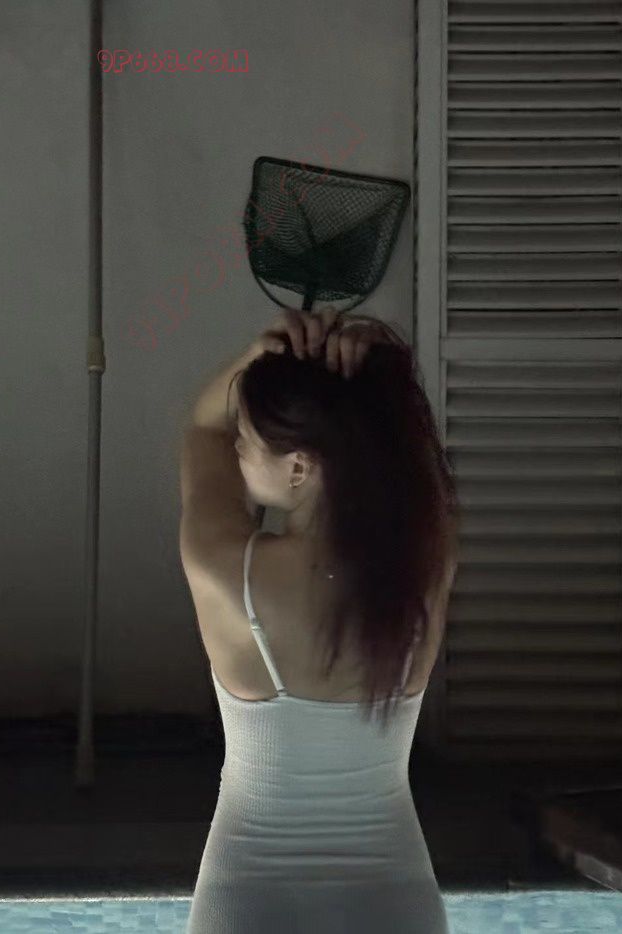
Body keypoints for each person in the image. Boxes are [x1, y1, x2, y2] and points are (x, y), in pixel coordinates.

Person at [183, 307, 459, 933]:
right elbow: (416, 460)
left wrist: (258, 353)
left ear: (299, 467)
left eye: (249, 440)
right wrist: (374, 376)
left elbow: (202, 429)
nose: (238, 447)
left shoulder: (227, 569)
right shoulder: (426, 561)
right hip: (394, 899)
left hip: (248, 898)